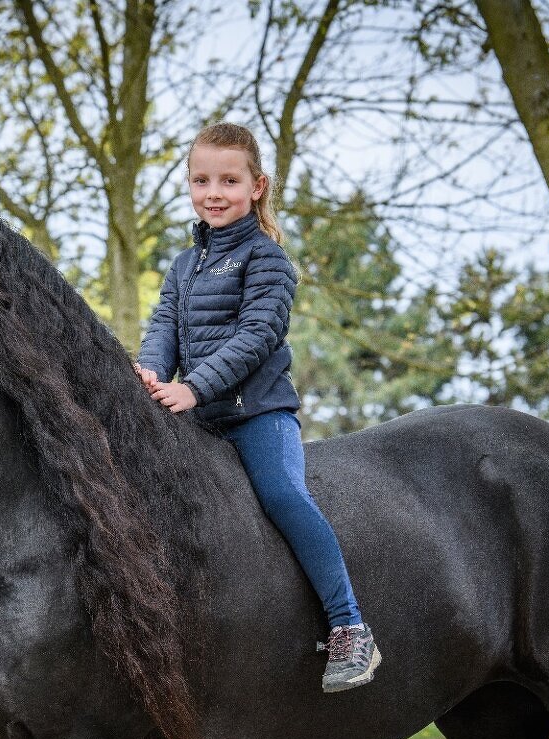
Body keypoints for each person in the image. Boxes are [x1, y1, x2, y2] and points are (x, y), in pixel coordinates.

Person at [134, 122, 381, 692]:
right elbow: (164, 326)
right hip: (197, 420)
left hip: (257, 416)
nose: (212, 192)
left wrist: (192, 386)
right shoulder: (182, 264)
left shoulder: (267, 260)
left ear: (257, 186)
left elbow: (257, 336)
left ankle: (350, 627)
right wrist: (150, 371)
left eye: (228, 180)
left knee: (283, 496)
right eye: (201, 180)